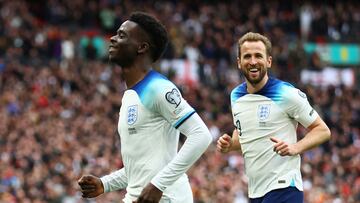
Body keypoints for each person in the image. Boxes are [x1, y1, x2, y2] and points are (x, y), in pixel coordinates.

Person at [77, 11, 212, 203]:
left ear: (141, 47)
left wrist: (158, 185)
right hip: (137, 197)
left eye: (122, 35)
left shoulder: (159, 88)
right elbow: (141, 167)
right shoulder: (130, 95)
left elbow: (201, 135)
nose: (113, 39)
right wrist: (105, 184)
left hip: (168, 198)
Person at [216, 32, 331, 203]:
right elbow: (244, 135)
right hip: (256, 192)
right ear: (239, 63)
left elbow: (323, 130)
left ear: (268, 61)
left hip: (284, 187)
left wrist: (296, 147)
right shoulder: (236, 96)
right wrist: (229, 145)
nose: (253, 61)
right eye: (247, 56)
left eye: (258, 56)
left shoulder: (287, 94)